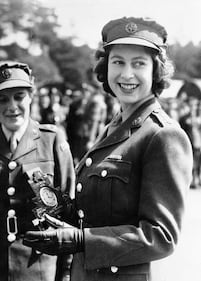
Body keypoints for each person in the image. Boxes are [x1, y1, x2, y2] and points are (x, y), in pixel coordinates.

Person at [24, 17, 193, 281]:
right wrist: (57, 204)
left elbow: (161, 237)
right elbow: (100, 211)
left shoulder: (163, 135)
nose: (127, 75)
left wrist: (81, 241)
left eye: (139, 63)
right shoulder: (116, 125)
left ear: (155, 71)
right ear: (106, 68)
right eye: (118, 62)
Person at [0, 60, 75, 281]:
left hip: (38, 266)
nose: (11, 106)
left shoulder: (51, 140)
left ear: (31, 97)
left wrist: (66, 272)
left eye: (19, 97)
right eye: (2, 99)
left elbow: (68, 214)